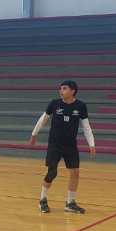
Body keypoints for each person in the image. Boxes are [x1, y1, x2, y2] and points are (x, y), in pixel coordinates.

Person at [29, 80, 95, 214]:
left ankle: (70, 203)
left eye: (64, 88)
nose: (61, 91)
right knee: (52, 172)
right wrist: (34, 134)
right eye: (60, 88)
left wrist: (92, 144)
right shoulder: (54, 104)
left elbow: (86, 127)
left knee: (75, 173)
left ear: (73, 91)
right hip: (55, 144)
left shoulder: (81, 106)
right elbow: (43, 119)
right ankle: (42, 200)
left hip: (70, 145)